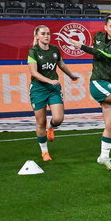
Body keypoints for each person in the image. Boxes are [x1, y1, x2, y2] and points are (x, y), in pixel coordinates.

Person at [59, 15, 111, 173]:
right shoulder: (98, 37)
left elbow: (105, 55)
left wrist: (81, 46)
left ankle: (104, 156)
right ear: (106, 27)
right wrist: (85, 47)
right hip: (98, 83)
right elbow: (98, 53)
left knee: (109, 126)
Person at [28, 25, 80, 162]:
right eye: (43, 34)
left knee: (58, 118)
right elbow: (34, 72)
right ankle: (44, 152)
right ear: (37, 36)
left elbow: (61, 64)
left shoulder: (55, 50)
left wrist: (71, 75)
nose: (47, 36)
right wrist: (49, 81)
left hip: (53, 89)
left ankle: (50, 128)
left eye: (48, 33)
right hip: (38, 89)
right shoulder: (33, 51)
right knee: (40, 122)